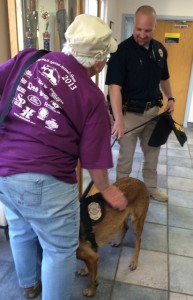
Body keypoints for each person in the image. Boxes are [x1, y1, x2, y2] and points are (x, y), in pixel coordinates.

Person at [0, 14, 127, 300]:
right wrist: (106, 188)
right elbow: (95, 159)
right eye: (105, 57)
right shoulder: (91, 96)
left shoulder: (29, 58)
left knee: (20, 228)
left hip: (4, 169)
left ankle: (29, 285)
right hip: (46, 181)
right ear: (97, 62)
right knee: (59, 249)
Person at [106, 5, 175, 202]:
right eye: (138, 29)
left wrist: (171, 98)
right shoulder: (121, 51)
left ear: (154, 27)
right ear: (134, 25)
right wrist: (118, 120)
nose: (142, 34)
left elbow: (164, 78)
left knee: (153, 155)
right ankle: (121, 192)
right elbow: (114, 88)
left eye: (147, 30)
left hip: (153, 113)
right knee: (125, 159)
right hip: (128, 115)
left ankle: (151, 189)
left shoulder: (160, 50)